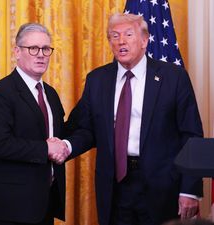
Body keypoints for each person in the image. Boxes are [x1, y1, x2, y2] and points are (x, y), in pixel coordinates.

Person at [62, 12, 204, 225]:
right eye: (114, 36)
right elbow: (85, 129)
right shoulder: (97, 80)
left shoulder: (174, 77)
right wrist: (64, 146)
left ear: (145, 40)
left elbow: (191, 135)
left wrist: (190, 190)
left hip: (162, 186)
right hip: (114, 187)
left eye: (128, 34)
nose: (121, 41)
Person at [0, 23, 69, 225]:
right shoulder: (0, 92)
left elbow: (58, 135)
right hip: (9, 210)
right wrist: (47, 148)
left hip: (44, 204)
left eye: (45, 49)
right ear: (17, 52)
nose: (41, 54)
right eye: (33, 48)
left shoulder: (50, 93)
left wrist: (64, 145)